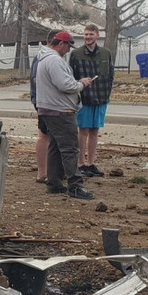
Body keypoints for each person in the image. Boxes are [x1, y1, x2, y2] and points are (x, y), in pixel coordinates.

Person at [35, 31, 95, 199]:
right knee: (70, 149)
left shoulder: (44, 58)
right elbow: (65, 85)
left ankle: (54, 183)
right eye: (68, 45)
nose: (68, 50)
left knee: (55, 147)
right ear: (61, 43)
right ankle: (75, 186)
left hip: (49, 109)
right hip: (60, 111)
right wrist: (81, 84)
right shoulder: (54, 60)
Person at [70, 24, 114, 178]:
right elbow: (70, 77)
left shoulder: (106, 54)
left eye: (91, 34)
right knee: (83, 130)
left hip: (101, 98)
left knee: (95, 130)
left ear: (97, 35)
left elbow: (110, 75)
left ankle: (91, 163)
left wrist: (107, 93)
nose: (88, 37)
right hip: (84, 98)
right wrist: (79, 84)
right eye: (86, 34)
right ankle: (81, 163)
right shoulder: (76, 54)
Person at [30, 29, 59, 183]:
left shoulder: (47, 56)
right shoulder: (42, 58)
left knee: (50, 136)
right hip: (44, 101)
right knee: (44, 135)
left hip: (46, 100)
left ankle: (51, 170)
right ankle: (42, 172)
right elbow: (37, 80)